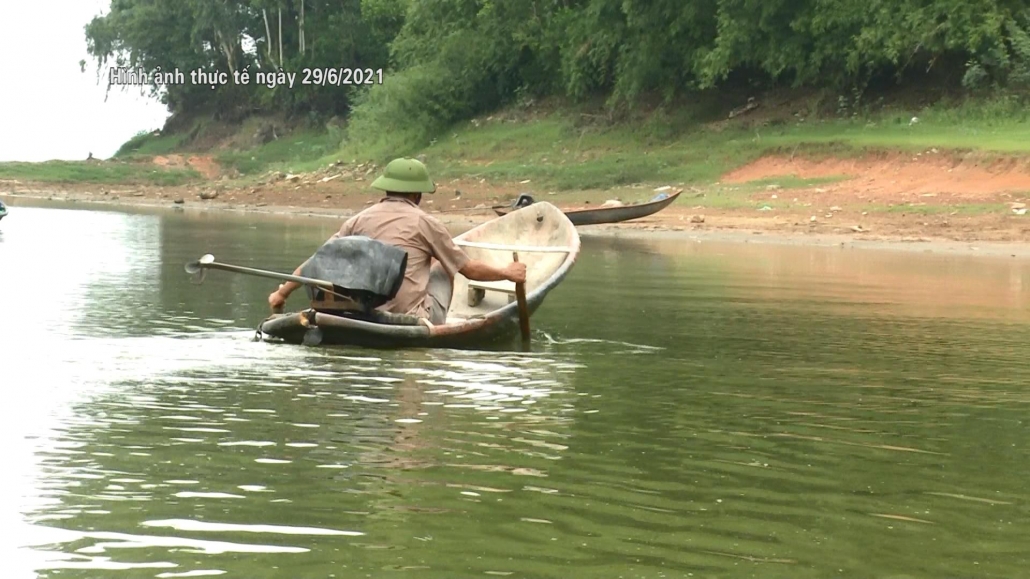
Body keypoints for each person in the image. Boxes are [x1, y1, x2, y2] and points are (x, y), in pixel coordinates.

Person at [268, 158, 526, 324]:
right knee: (442, 265)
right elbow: (468, 269)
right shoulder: (425, 223)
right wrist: (507, 272)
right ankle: (436, 320)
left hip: (363, 311)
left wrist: (281, 293)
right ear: (416, 194)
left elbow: (317, 261)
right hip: (410, 318)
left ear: (387, 189)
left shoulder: (358, 220)